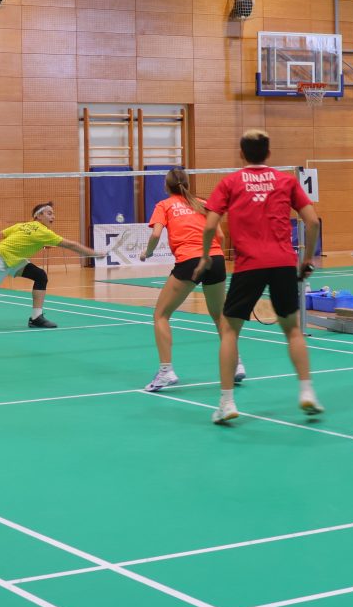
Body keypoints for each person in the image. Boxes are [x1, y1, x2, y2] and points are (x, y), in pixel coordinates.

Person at [195, 129, 322, 425]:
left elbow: (210, 226)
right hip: (282, 263)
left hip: (249, 265)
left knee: (229, 330)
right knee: (293, 331)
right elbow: (312, 221)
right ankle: (307, 391)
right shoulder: (286, 181)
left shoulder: (229, 182)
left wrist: (204, 257)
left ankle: (226, 402)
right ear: (268, 153)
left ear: (241, 154)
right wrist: (307, 260)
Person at [138, 168, 238, 393]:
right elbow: (220, 236)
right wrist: (215, 259)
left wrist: (148, 253)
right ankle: (236, 364)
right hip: (215, 259)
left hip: (190, 261)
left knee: (161, 315)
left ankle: (166, 371)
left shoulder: (164, 205)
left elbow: (156, 234)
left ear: (167, 186)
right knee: (219, 315)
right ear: (188, 184)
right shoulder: (203, 203)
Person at [0, 202, 110, 328]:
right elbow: (71, 245)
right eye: (49, 213)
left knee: (40, 276)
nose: (53, 216)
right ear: (38, 216)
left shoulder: (22, 225)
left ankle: (36, 318)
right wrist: (95, 253)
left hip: (11, 259)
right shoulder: (43, 232)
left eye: (53, 213)